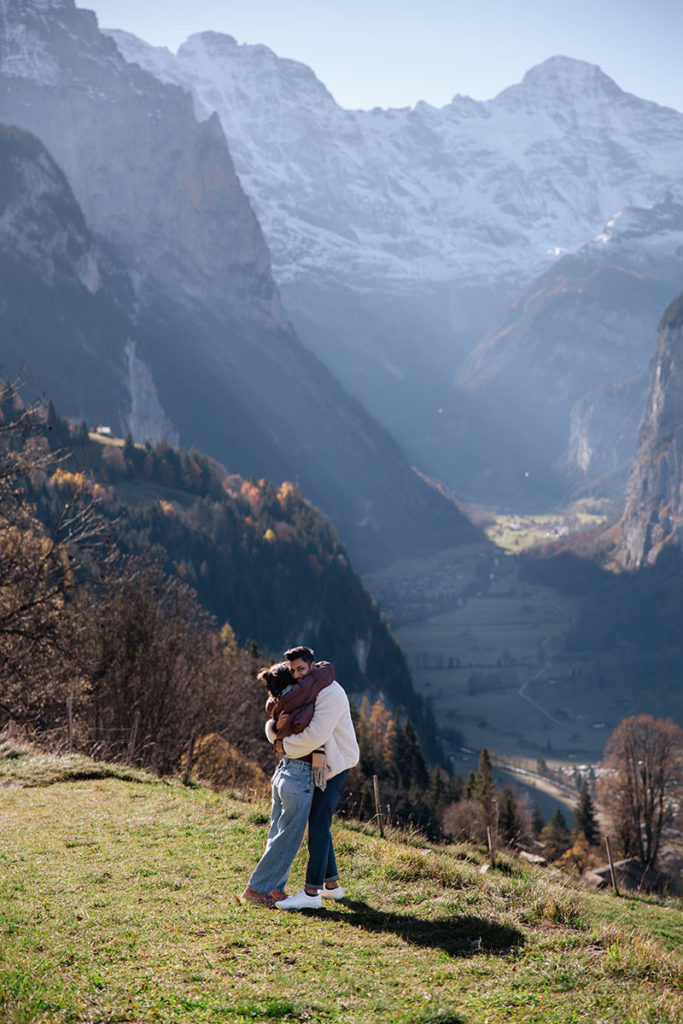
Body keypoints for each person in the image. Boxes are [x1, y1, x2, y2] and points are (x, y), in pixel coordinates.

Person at [242, 651, 336, 907]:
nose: (299, 677)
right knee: (288, 837)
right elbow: (305, 726)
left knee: (277, 832)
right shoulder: (299, 703)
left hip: (283, 771)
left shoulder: (278, 702)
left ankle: (274, 888)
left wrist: (276, 733)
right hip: (299, 775)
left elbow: (276, 728)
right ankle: (257, 888)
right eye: (294, 673)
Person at [274, 646, 359, 911]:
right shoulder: (306, 691)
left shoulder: (330, 692)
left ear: (312, 665)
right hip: (320, 765)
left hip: (334, 765)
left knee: (319, 826)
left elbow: (315, 737)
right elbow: (280, 721)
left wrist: (282, 746)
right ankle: (332, 887)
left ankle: (312, 893)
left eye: (301, 669)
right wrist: (274, 734)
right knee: (317, 823)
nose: (297, 675)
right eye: (293, 671)